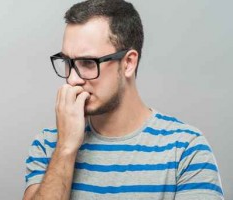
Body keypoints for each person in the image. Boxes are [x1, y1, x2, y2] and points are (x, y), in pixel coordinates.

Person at [23, 0, 223, 199]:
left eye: (88, 63)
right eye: (67, 62)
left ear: (128, 63)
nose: (72, 79)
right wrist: (65, 148)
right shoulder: (50, 144)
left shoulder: (186, 149)